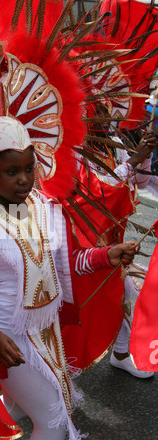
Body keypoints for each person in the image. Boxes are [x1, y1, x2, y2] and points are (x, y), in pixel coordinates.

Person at [0, 116, 139, 440]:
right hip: (6, 335)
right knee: (52, 418)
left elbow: (66, 263)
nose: (24, 179)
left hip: (47, 330)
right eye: (12, 171)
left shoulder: (47, 207)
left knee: (15, 406)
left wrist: (107, 256)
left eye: (29, 169)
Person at [68, 100, 157, 378]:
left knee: (132, 292)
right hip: (83, 243)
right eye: (100, 111)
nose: (108, 117)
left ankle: (120, 354)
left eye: (109, 110)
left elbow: (138, 184)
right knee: (81, 308)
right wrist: (132, 160)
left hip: (112, 239)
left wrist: (144, 155)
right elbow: (94, 196)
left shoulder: (113, 141)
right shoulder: (74, 152)